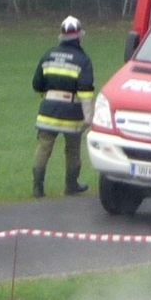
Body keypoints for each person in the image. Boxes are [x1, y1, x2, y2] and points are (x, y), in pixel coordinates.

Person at [31, 15, 95, 198]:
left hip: (48, 111)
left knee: (44, 147)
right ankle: (71, 185)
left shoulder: (48, 55)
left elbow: (37, 84)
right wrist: (88, 116)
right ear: (79, 37)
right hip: (72, 112)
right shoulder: (83, 60)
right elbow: (86, 91)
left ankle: (37, 187)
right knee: (73, 149)